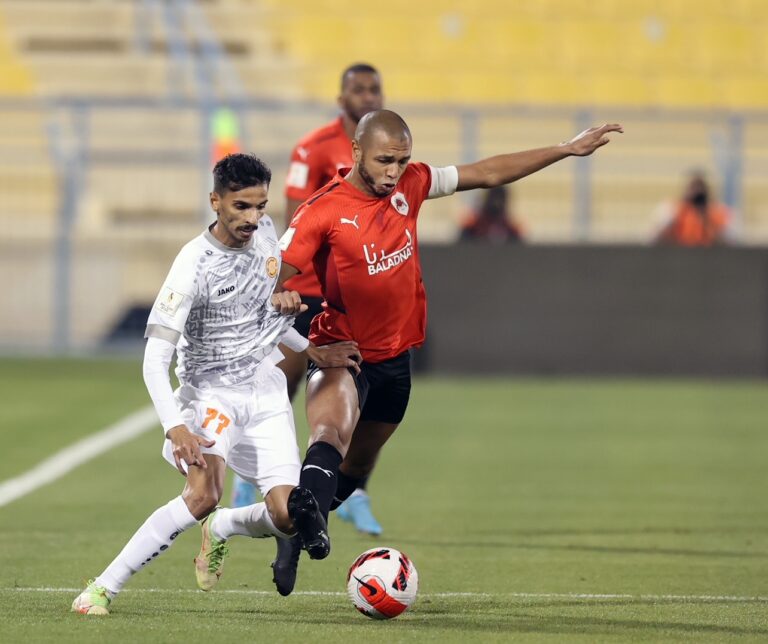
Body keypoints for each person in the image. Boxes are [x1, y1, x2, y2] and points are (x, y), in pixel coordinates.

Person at [272, 110, 623, 588]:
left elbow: (486, 172)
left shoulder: (410, 185)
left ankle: (294, 529)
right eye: (384, 161)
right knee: (331, 433)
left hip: (394, 358)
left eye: (402, 160)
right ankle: (304, 516)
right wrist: (306, 345)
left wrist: (565, 149)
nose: (394, 171)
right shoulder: (322, 210)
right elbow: (269, 283)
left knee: (357, 464)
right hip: (342, 347)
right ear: (356, 153)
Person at [71, 153, 360, 615]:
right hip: (210, 393)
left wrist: (308, 347)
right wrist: (174, 426)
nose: (253, 218)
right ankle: (103, 587)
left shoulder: (266, 239)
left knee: (292, 515)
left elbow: (257, 313)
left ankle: (224, 528)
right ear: (215, 201)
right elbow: (154, 360)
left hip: (263, 391)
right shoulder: (193, 266)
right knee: (204, 494)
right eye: (241, 206)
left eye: (261, 206)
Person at [231, 63, 386, 539]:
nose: (366, 94)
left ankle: (352, 494)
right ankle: (248, 479)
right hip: (308, 291)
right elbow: (298, 215)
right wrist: (290, 279)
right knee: (283, 381)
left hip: (350, 297)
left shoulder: (382, 154)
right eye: (357, 88)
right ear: (341, 97)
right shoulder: (313, 148)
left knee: (353, 396)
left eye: (372, 88)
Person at [653, 171, 732, 246]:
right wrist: (681, 209)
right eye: (693, 187)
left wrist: (705, 216)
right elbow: (655, 238)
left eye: (701, 187)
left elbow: (730, 243)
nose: (697, 192)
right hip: (680, 253)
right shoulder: (672, 209)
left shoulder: (717, 212)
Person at [459, 185, 525, 243]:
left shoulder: (511, 230)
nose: (496, 202)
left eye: (500, 198)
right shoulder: (473, 227)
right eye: (494, 197)